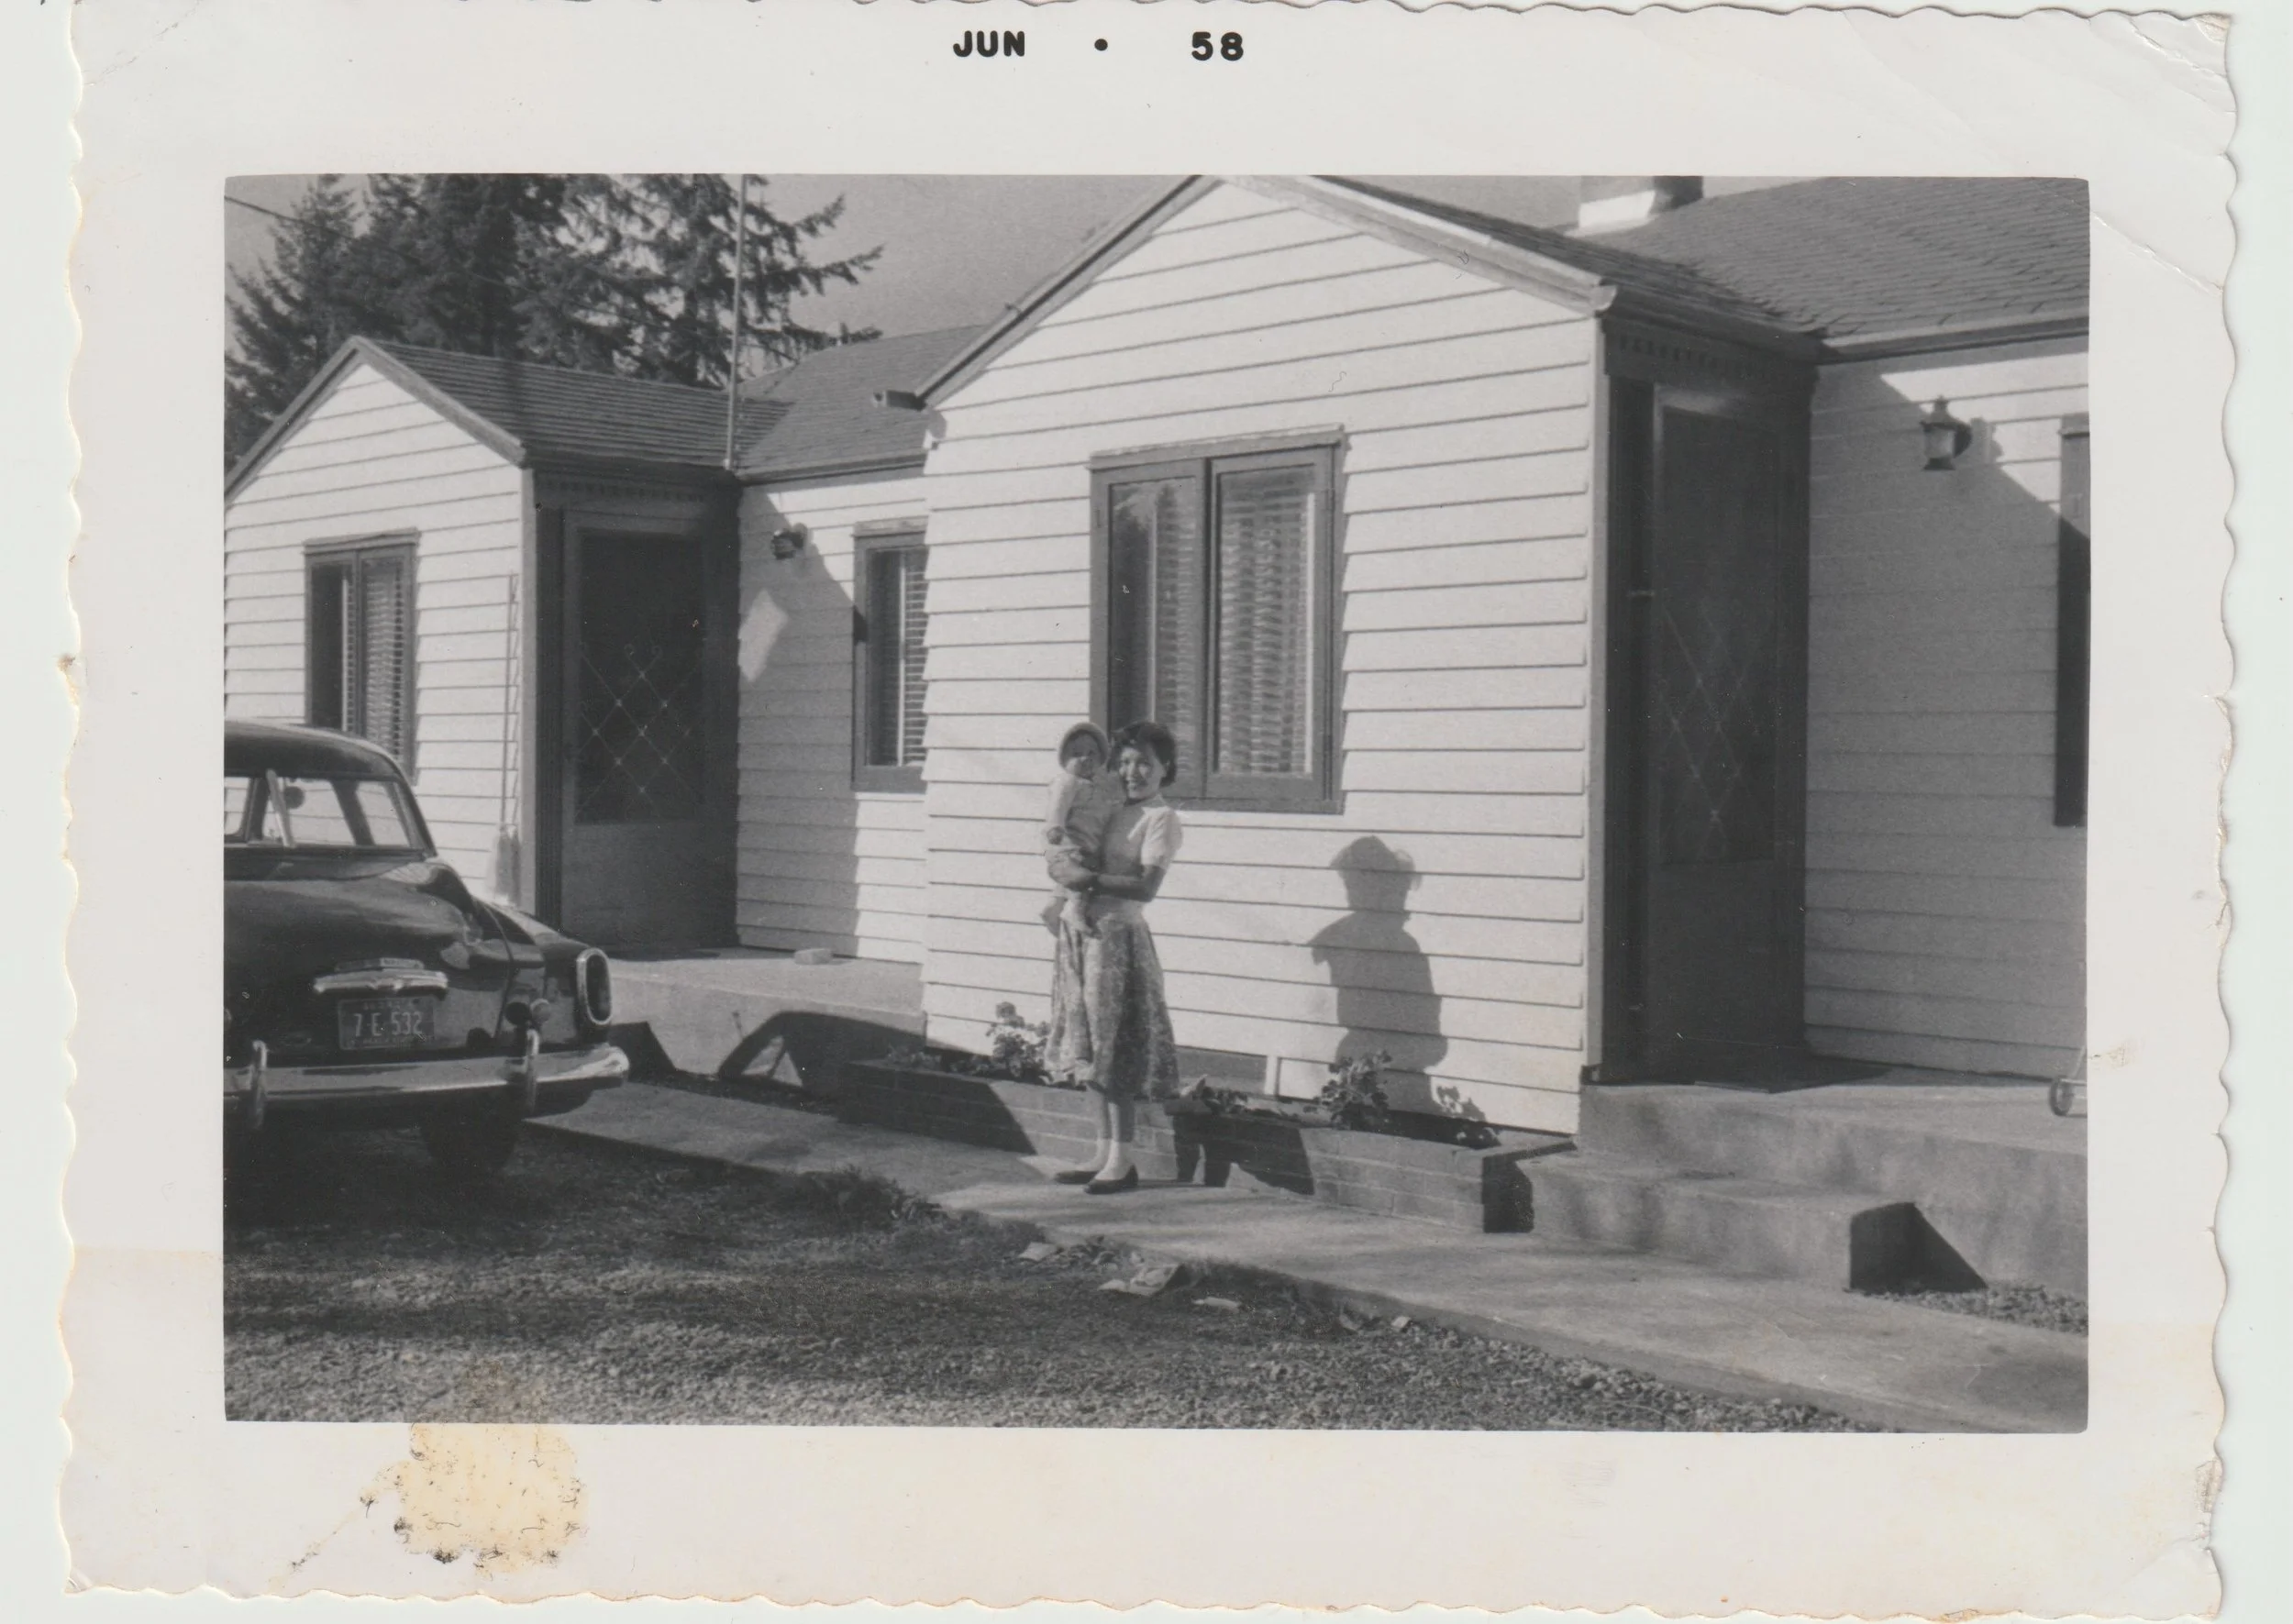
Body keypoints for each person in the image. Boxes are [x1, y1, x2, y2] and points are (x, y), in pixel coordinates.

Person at [1045, 721, 1183, 1193]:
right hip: (1084, 935)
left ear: (1166, 769)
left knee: (1114, 1050)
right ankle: (1101, 1152)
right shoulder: (1109, 806)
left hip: (1119, 940)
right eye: (1124, 762)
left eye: (1145, 762)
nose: (1132, 772)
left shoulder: (1160, 818)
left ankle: (1122, 1162)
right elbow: (1069, 845)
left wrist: (1086, 881)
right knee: (1088, 1047)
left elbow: (1146, 886)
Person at [1041, 721, 1120, 938]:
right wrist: (1055, 827)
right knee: (1080, 875)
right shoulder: (1067, 783)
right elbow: (1057, 807)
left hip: (1087, 842)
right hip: (1069, 842)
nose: (1085, 759)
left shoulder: (1096, 785)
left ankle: (1053, 907)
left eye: (1092, 753)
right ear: (1064, 760)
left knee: (1076, 876)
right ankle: (1076, 911)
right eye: (1076, 754)